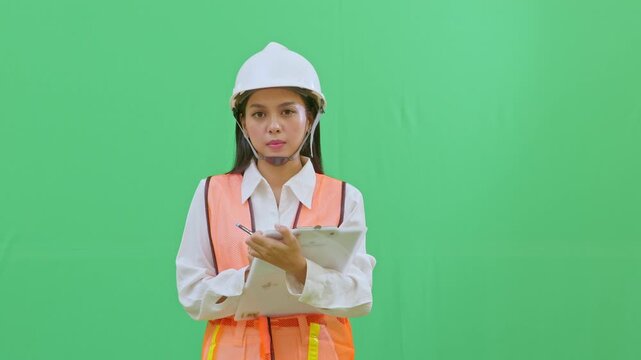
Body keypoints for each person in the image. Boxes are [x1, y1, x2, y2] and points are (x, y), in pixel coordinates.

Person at [176, 41, 376, 360]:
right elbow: (191, 294)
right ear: (243, 123)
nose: (273, 126)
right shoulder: (210, 193)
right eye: (258, 113)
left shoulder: (343, 198)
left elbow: (360, 294)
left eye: (287, 111)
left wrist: (299, 269)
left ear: (309, 119)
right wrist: (251, 278)